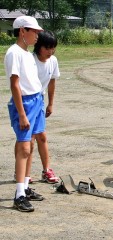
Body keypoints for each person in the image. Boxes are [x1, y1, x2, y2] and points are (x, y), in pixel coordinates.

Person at [4, 16, 45, 212]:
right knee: (24, 147)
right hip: (25, 104)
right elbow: (15, 84)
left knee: (32, 144)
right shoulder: (14, 53)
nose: (37, 35)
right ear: (22, 31)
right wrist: (21, 114)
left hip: (36, 100)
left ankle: (26, 186)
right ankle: (19, 194)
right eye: (34, 31)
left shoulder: (27, 54)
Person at [30, 30, 60, 184]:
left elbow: (52, 82)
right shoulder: (30, 60)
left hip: (40, 100)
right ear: (38, 46)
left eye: (52, 48)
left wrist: (51, 103)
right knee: (28, 139)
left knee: (41, 136)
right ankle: (21, 173)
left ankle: (46, 170)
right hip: (28, 100)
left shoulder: (53, 61)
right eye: (47, 48)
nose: (50, 52)